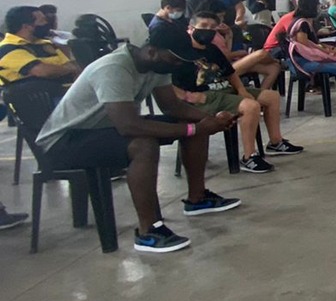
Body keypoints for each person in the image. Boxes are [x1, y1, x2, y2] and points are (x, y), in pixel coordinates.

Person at [35, 30, 241, 253]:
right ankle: (148, 231)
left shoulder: (158, 65)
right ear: (151, 51)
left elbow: (172, 106)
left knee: (191, 123)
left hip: (102, 130)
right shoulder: (113, 68)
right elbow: (128, 126)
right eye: (174, 60)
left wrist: (210, 120)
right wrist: (195, 128)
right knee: (143, 144)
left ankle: (197, 198)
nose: (177, 65)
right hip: (64, 141)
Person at [156, 16, 301, 173]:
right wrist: (186, 96)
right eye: (204, 25)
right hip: (204, 97)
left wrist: (241, 89)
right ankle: (249, 157)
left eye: (212, 27)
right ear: (190, 28)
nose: (208, 30)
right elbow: (164, 81)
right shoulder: (180, 53)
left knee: (271, 97)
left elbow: (230, 73)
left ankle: (276, 142)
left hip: (224, 89)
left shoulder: (212, 49)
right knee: (250, 106)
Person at [0, 6, 81, 85]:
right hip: (30, 93)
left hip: (64, 89)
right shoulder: (7, 48)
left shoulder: (46, 44)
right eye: (42, 21)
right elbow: (41, 71)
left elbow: (72, 66)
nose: (47, 24)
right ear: (26, 27)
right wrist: (67, 69)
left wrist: (63, 69)